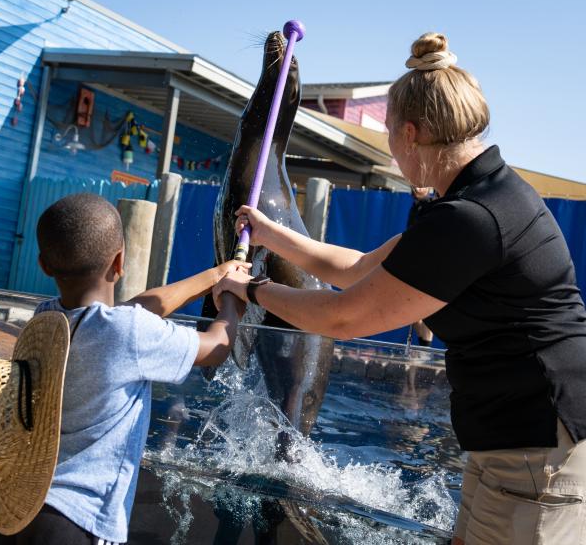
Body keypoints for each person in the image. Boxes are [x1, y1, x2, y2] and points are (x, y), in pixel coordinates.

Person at [213, 32, 586, 544]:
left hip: (541, 443)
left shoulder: (473, 219)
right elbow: (358, 268)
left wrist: (253, 289)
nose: (390, 146)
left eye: (389, 133)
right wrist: (271, 232)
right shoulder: (475, 198)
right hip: (512, 436)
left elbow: (346, 317)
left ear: (411, 133)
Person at [0, 193, 248, 545]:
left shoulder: (47, 318)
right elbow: (216, 347)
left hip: (22, 510)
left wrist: (215, 274)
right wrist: (234, 296)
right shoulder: (128, 333)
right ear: (120, 261)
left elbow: (132, 311)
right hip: (80, 521)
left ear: (44, 265)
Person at [407, 186, 435, 348]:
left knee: (424, 310)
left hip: (427, 263)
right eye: (415, 185)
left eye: (422, 185)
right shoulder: (415, 207)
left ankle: (425, 348)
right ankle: (422, 346)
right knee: (413, 313)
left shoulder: (431, 205)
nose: (418, 187)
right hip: (413, 262)